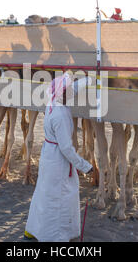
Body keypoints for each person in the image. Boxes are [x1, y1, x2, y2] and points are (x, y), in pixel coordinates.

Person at [25, 73, 93, 242]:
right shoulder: (61, 115)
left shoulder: (53, 101)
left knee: (43, 193)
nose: (71, 91)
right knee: (59, 197)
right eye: (68, 89)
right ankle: (56, 237)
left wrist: (91, 79)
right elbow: (67, 149)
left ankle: (32, 230)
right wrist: (85, 166)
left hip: (49, 155)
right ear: (63, 92)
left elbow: (74, 89)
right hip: (58, 161)